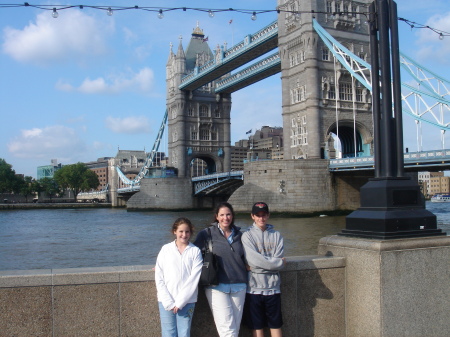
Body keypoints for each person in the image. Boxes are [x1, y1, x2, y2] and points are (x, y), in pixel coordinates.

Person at [194, 202, 247, 337]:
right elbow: (191, 254)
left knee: (235, 327)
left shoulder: (240, 235)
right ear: (216, 217)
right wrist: (163, 264)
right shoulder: (206, 234)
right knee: (227, 329)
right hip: (216, 285)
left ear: (232, 216)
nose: (225, 218)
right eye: (222, 215)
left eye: (228, 214)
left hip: (239, 285)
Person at [242, 202, 286, 337]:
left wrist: (256, 268)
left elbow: (257, 264)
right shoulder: (247, 235)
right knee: (257, 327)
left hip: (274, 288)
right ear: (252, 216)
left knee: (276, 325)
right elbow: (253, 260)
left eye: (264, 215)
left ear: (268, 215)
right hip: (254, 289)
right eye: (258, 215)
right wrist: (275, 265)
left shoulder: (277, 235)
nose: (261, 218)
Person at [155, 217, 203, 337]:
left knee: (184, 333)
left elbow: (194, 279)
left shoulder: (195, 251)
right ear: (174, 231)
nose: (184, 234)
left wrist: (180, 302)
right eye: (181, 231)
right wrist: (168, 301)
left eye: (187, 232)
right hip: (166, 300)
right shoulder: (166, 249)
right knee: (168, 333)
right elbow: (159, 276)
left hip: (187, 301)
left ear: (191, 233)